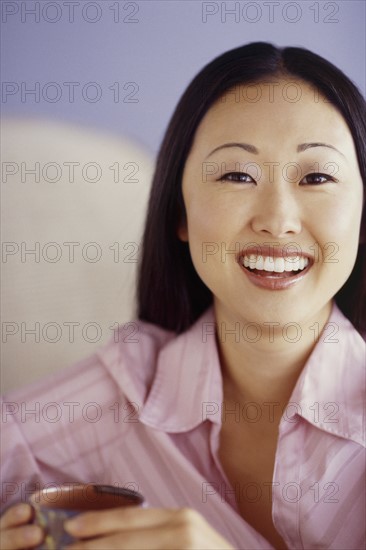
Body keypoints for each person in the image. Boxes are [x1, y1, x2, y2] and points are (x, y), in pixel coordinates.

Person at [1, 42, 365, 550]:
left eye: (317, 177)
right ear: (180, 214)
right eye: (237, 175)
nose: (278, 219)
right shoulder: (89, 409)